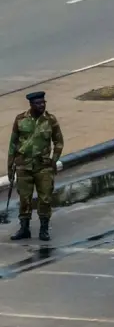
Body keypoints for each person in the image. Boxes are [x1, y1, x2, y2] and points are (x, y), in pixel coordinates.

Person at [7, 91, 64, 241]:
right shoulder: (20, 119)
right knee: (24, 199)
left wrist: (54, 160)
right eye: (38, 103)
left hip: (43, 167)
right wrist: (10, 166)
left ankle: (44, 229)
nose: (42, 105)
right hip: (23, 166)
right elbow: (13, 144)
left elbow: (59, 141)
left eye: (43, 102)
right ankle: (24, 228)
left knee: (45, 198)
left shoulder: (51, 120)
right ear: (31, 105)